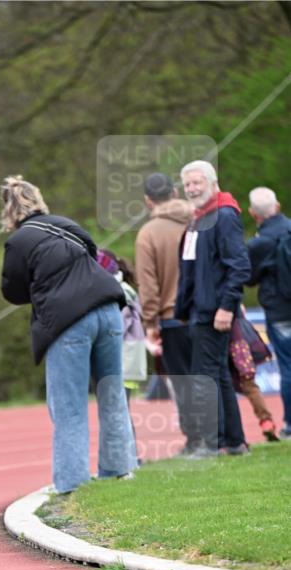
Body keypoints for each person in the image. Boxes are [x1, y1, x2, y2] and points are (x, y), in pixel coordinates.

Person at [0, 175, 136, 494]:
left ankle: (72, 483)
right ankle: (120, 470)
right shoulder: (68, 225)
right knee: (112, 393)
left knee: (69, 404)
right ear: (39, 199)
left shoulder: (19, 241)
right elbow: (91, 254)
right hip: (109, 310)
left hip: (69, 321)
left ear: (9, 211)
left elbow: (13, 290)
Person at [175, 160, 250, 457]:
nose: (192, 189)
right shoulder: (198, 218)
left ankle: (212, 442)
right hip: (199, 309)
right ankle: (234, 441)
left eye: (197, 183)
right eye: (188, 185)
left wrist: (227, 307)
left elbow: (239, 265)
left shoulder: (224, 215)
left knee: (204, 376)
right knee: (217, 374)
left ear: (212, 182)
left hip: (214, 310)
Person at [135, 172, 196, 453]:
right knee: (213, 374)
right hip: (206, 313)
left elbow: (148, 284)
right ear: (175, 192)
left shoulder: (149, 233)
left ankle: (197, 439)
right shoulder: (200, 219)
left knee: (183, 382)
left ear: (148, 200)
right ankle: (226, 435)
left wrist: (150, 322)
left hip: (172, 317)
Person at [246, 186, 291, 438]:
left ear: (254, 213)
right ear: (278, 206)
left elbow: (249, 278)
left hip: (279, 310)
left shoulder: (258, 243)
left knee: (288, 366)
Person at [96, 249, 147, 462]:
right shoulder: (126, 290)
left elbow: (116, 328)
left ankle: (129, 457)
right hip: (131, 360)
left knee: (119, 411)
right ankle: (130, 456)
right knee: (121, 410)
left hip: (123, 360)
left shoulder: (118, 294)